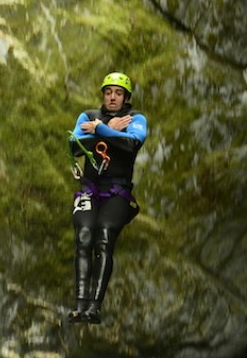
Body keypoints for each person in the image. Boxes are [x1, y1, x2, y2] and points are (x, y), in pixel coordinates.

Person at [67, 72, 148, 324]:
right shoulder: (88, 116)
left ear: (126, 97)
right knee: (84, 236)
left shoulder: (135, 118)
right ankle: (80, 305)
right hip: (89, 189)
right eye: (109, 92)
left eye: (118, 93)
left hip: (117, 192)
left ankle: (94, 307)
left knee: (103, 237)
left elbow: (132, 143)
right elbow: (74, 145)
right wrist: (108, 130)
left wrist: (99, 130)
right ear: (103, 94)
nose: (113, 97)